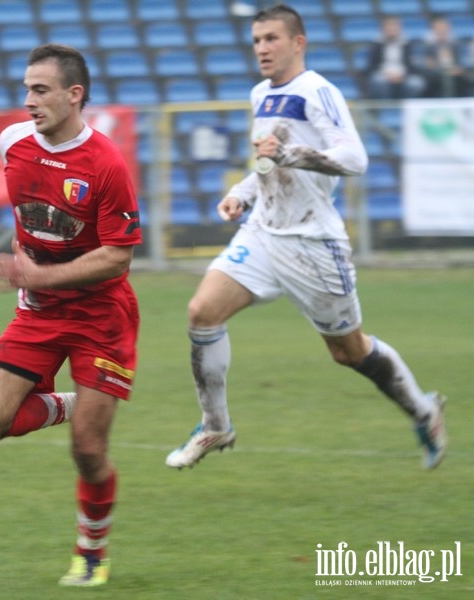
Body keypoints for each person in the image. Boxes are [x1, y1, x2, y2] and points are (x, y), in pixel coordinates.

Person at [164, 5, 447, 472]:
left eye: (272, 38)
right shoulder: (260, 94)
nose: (262, 49)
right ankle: (215, 425)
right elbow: (267, 162)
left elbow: (355, 158)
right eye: (256, 40)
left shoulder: (317, 90)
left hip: (313, 245)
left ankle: (423, 410)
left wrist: (290, 153)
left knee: (348, 351)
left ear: (298, 42)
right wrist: (243, 192)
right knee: (202, 312)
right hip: (263, 233)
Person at [0, 43, 142, 587]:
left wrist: (38, 274)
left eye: (40, 90)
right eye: (26, 90)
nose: (28, 101)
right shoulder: (12, 143)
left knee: (89, 451)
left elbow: (119, 255)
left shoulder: (107, 164)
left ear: (74, 95)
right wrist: (30, 277)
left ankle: (92, 552)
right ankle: (69, 404)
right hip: (37, 313)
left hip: (100, 317)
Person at [364, 16, 426, 99]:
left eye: (394, 28)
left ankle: (405, 106)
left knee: (416, 83)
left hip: (403, 75)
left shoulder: (407, 44)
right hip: (384, 74)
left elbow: (412, 65)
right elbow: (371, 66)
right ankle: (385, 107)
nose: (391, 30)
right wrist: (386, 74)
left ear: (399, 28)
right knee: (378, 80)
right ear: (383, 29)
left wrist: (402, 75)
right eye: (389, 28)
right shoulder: (377, 45)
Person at [421, 15, 469, 97]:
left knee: (463, 76)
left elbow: (461, 61)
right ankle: (449, 103)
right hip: (436, 72)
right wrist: (443, 70)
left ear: (448, 28)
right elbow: (429, 64)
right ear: (433, 29)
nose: (441, 30)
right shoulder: (428, 45)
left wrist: (458, 68)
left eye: (443, 27)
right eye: (438, 28)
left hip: (454, 70)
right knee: (446, 76)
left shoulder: (455, 43)